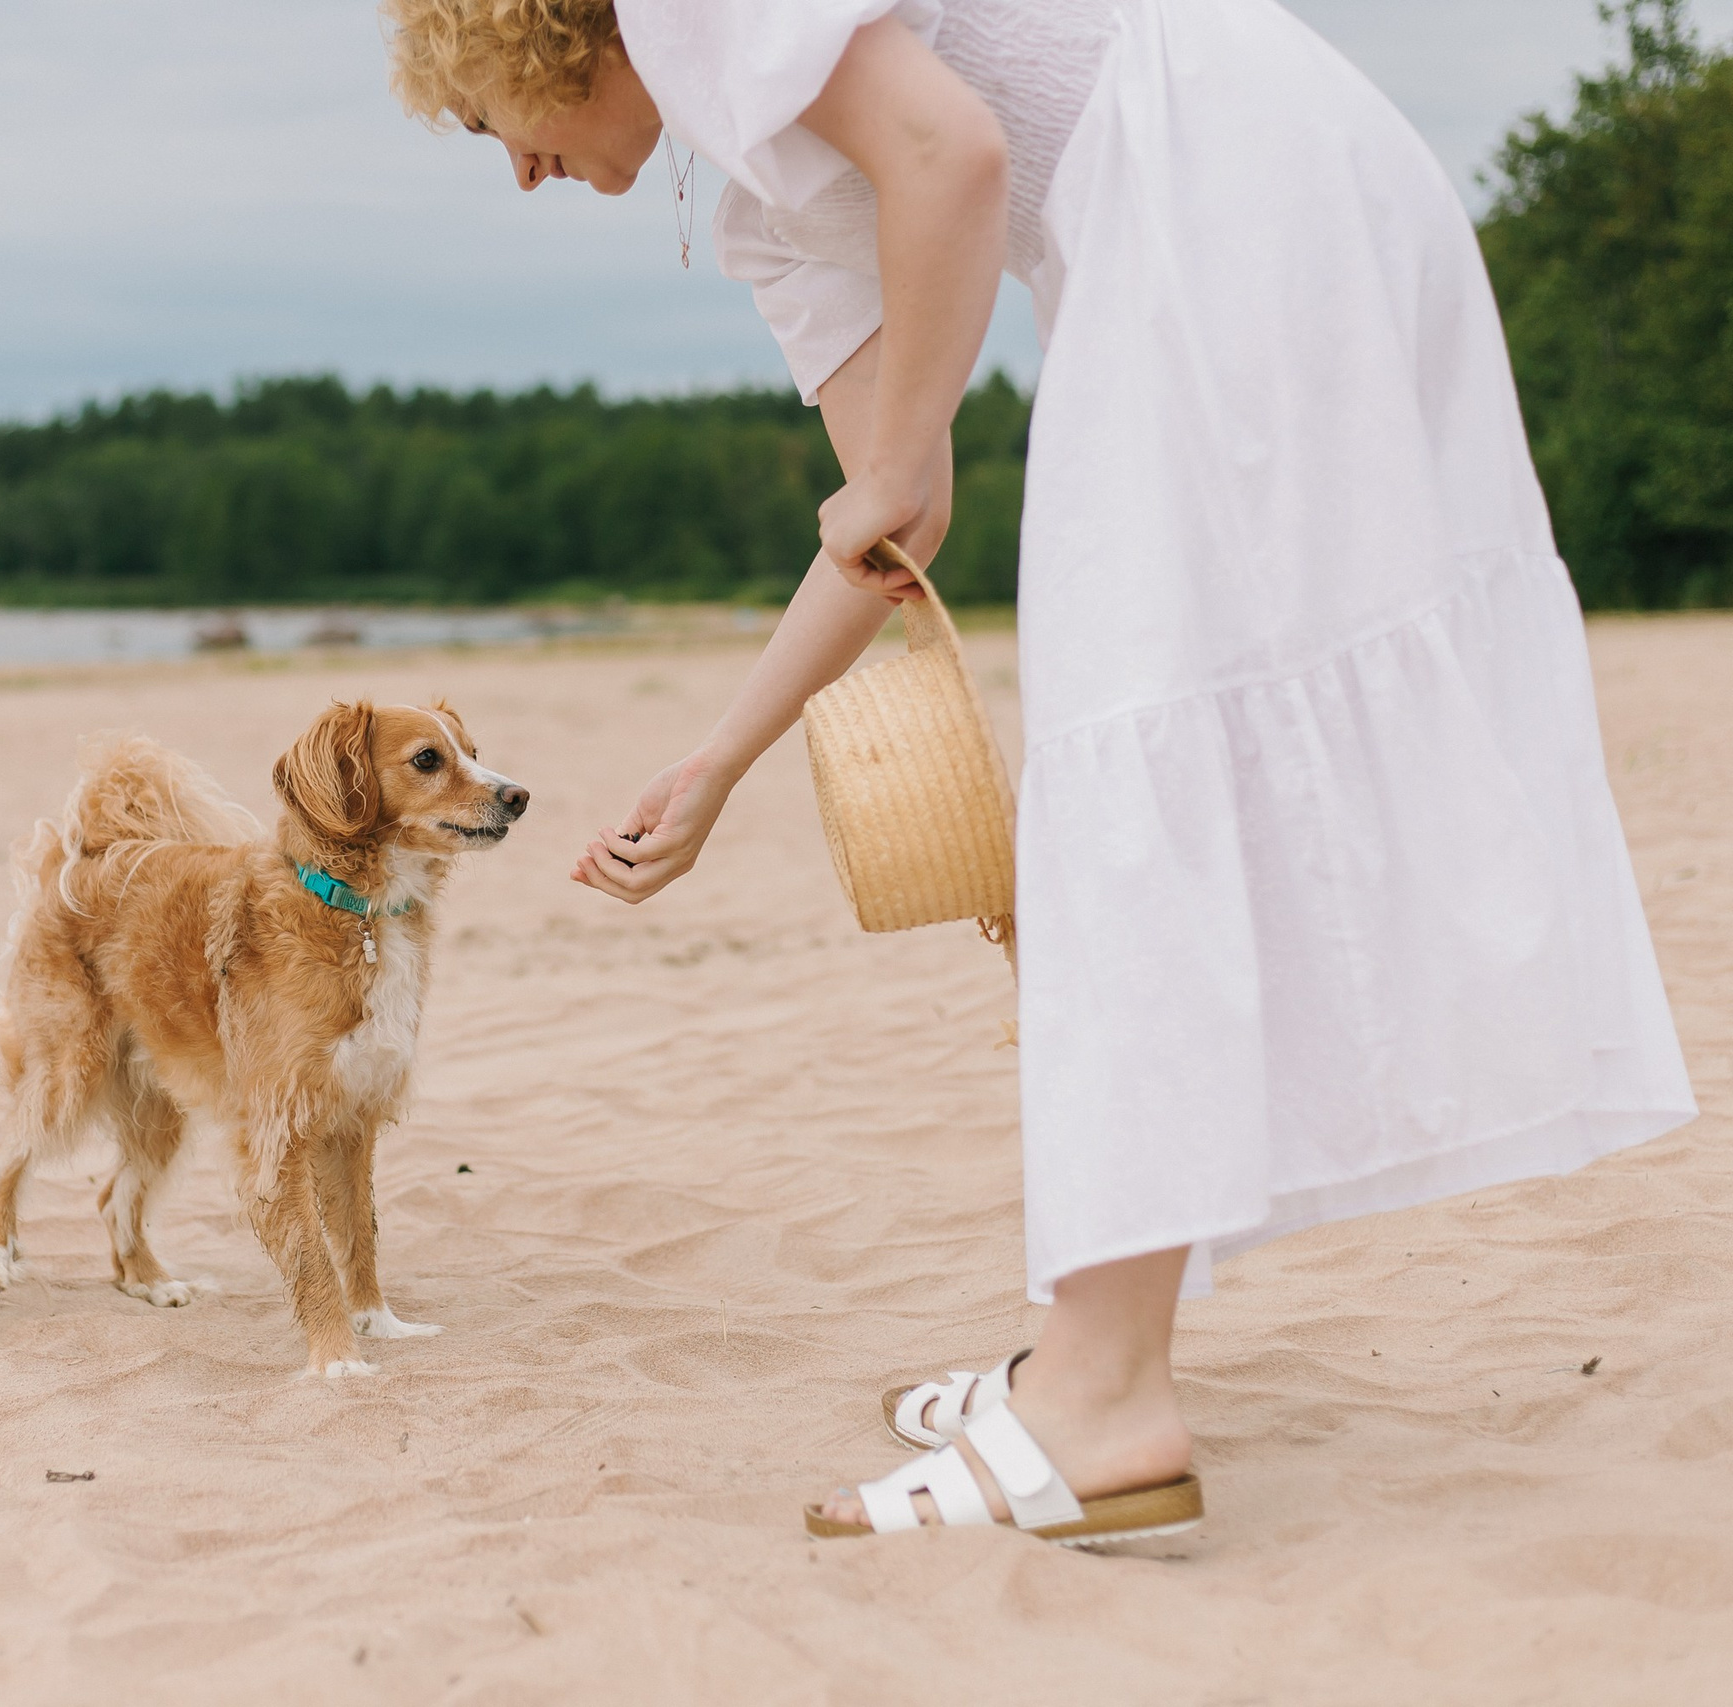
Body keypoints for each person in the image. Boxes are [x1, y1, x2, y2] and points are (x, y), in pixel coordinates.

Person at [382, 0, 1696, 1543]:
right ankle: (1095, 1364)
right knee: (1137, 766)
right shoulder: (759, 204)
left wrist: (889, 458)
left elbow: (954, 151)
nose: (519, 174)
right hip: (1187, 211)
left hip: (1225, 171)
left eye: (489, 125)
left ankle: (1101, 1392)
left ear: (540, 38)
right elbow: (897, 514)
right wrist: (721, 759)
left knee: (1126, 761)